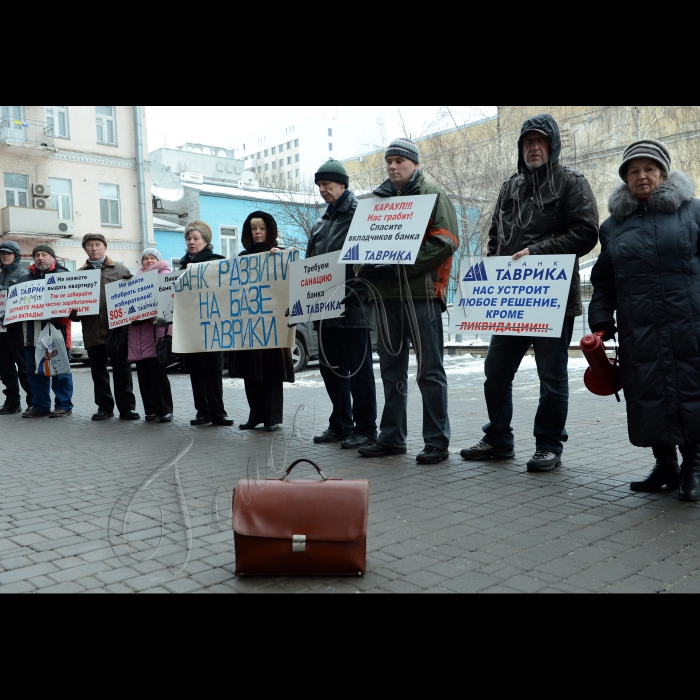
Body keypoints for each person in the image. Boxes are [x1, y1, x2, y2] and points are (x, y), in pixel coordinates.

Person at [460, 114, 599, 472]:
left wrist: (539, 252)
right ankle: (498, 438)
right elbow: (495, 236)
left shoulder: (571, 183)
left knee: (551, 377)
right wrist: (492, 277)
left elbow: (586, 233)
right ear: (520, 149)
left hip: (551, 301)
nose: (533, 147)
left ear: (552, 146)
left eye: (540, 141)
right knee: (495, 370)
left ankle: (549, 444)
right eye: (527, 142)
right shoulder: (510, 187)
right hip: (509, 301)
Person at [589, 139, 700, 501]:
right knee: (648, 394)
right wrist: (602, 316)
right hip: (639, 328)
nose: (642, 176)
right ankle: (664, 464)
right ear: (625, 179)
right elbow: (604, 279)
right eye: (633, 171)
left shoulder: (692, 212)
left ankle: (694, 466)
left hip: (688, 323)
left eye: (649, 169)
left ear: (663, 173)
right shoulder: (613, 227)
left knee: (691, 391)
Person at [357, 138, 458, 464]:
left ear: (414, 163)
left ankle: (436, 442)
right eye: (389, 161)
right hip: (385, 298)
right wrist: (366, 268)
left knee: (429, 371)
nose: (393, 166)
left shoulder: (433, 194)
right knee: (391, 371)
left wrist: (403, 264)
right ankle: (391, 437)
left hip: (421, 296)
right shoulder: (376, 201)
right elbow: (362, 245)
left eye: (400, 160)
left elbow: (446, 241)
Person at [306, 159, 377, 449]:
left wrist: (358, 292)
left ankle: (365, 429)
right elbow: (310, 266)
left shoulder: (362, 215)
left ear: (343, 184)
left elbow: (371, 259)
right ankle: (341, 424)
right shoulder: (320, 223)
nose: (323, 190)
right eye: (320, 186)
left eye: (327, 185)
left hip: (353, 306)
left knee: (359, 371)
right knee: (331, 369)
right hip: (324, 309)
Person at [230, 212, 293, 431]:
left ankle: (273, 417)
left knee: (272, 372)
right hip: (249, 324)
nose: (258, 232)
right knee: (250, 373)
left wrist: (281, 258)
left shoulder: (280, 254)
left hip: (272, 323)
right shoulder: (241, 257)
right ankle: (255, 414)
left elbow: (294, 274)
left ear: (270, 231)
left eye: (262, 228)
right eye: (254, 229)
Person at [74, 233, 139, 421]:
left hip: (117, 331)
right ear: (85, 249)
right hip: (93, 331)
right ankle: (104, 408)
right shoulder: (79, 275)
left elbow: (133, 297)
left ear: (105, 247)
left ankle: (127, 408)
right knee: (98, 373)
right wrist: (72, 310)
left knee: (122, 371)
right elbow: (74, 312)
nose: (94, 248)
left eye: (98, 244)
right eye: (90, 245)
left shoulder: (120, 270)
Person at [179, 220, 233, 427]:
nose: (191, 242)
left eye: (196, 238)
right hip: (191, 324)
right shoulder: (182, 265)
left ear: (206, 241)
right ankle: (202, 412)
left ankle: (218, 412)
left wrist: (198, 270)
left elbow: (224, 288)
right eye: (188, 238)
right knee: (196, 370)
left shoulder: (216, 261)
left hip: (212, 323)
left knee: (212, 369)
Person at [21, 245, 74, 418]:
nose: (40, 258)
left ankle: (64, 405)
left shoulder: (63, 275)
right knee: (35, 371)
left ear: (52, 257)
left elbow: (73, 303)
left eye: (44, 254)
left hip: (56, 331)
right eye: (37, 255)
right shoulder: (26, 278)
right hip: (31, 331)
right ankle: (41, 405)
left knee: (59, 370)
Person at [128, 248, 174, 423]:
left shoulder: (166, 276)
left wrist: (146, 314)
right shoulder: (135, 279)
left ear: (158, 260)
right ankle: (150, 410)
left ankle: (165, 410)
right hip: (139, 335)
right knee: (143, 376)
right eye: (145, 258)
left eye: (152, 258)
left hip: (156, 333)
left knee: (158, 375)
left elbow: (167, 305)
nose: (148, 261)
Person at [0, 240, 32, 414]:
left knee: (23, 365)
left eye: (9, 253)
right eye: (3, 253)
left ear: (16, 256)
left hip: (18, 327)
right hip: (1, 328)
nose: (5, 256)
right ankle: (12, 401)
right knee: (5, 367)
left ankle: (32, 401)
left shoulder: (24, 274)